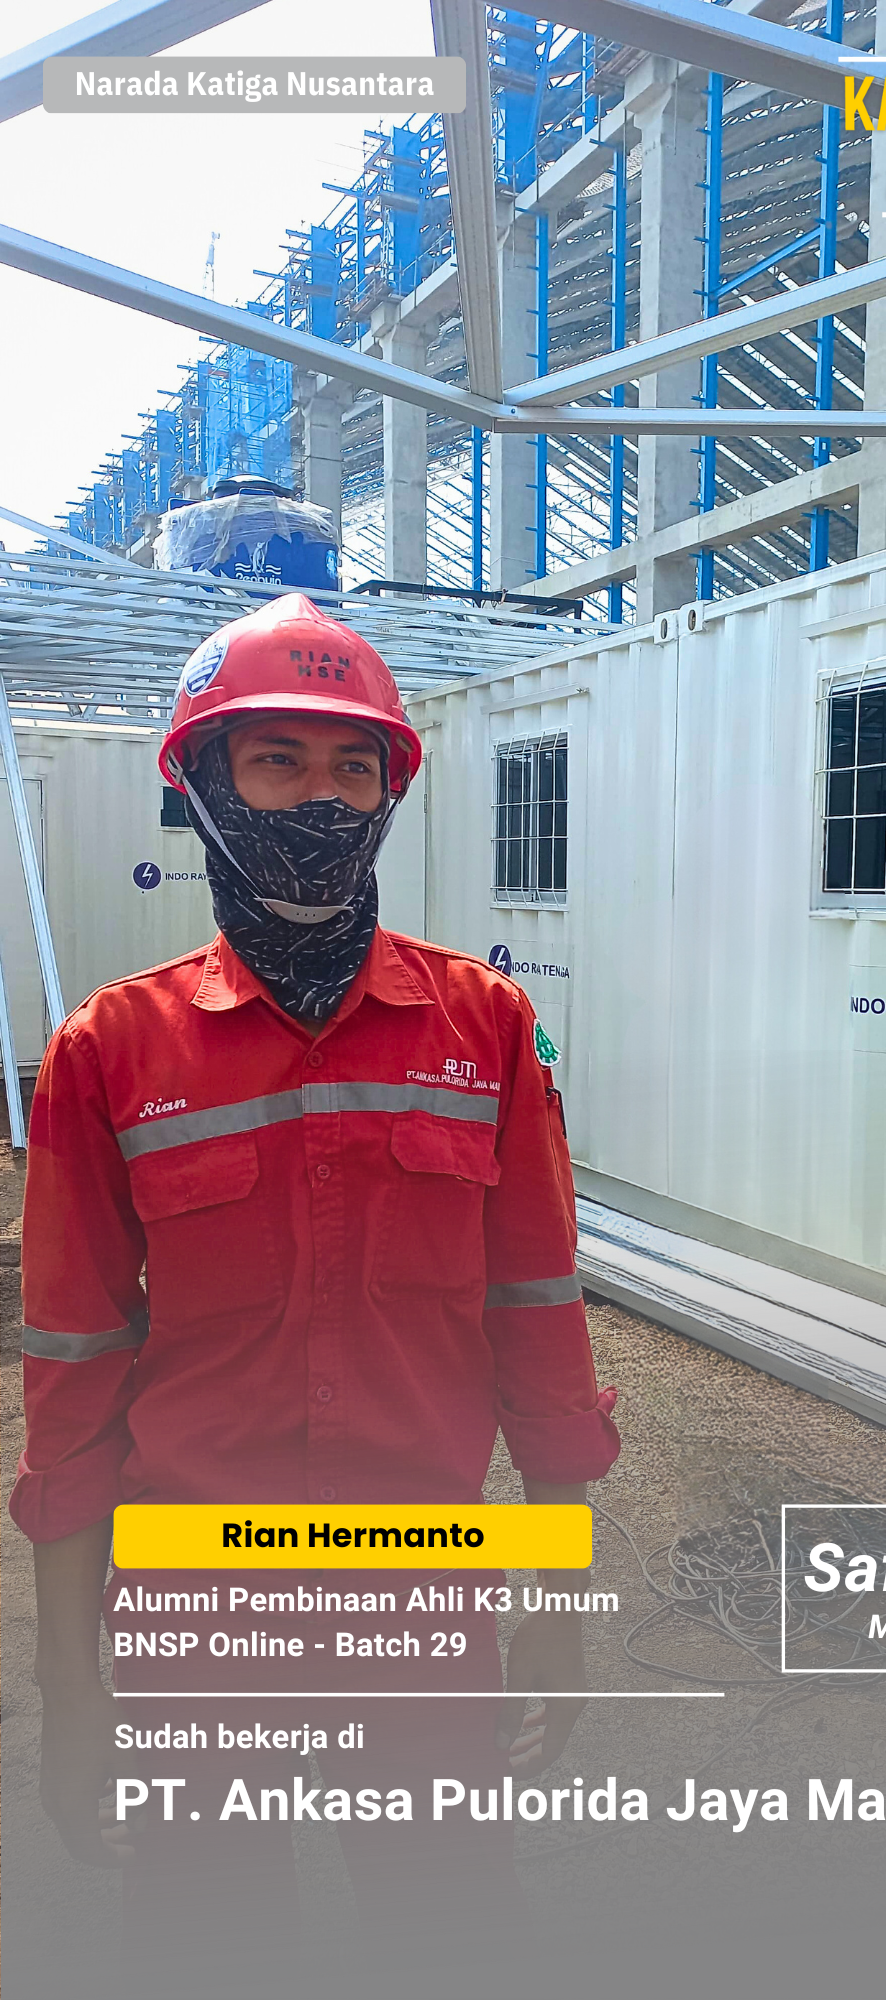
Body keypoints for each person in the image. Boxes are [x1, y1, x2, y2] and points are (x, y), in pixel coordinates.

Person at [11, 592, 620, 1997]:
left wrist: (557, 1594)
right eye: (278, 759)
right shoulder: (110, 1050)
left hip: (422, 1585)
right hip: (197, 1593)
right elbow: (72, 1373)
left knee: (449, 1928)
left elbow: (538, 1320)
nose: (324, 796)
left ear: (393, 790)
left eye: (356, 764)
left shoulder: (485, 1027)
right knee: (207, 1940)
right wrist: (71, 1691)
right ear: (202, 782)